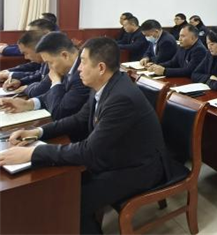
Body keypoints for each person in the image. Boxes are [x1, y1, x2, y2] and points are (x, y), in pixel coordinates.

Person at [0, 37, 170, 234]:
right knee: (61, 184)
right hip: (115, 154)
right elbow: (78, 119)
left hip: (139, 167)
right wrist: (38, 131)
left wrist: (32, 154)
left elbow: (89, 152)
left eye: (83, 62)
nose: (78, 68)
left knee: (72, 199)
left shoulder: (121, 98)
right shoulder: (104, 84)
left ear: (100, 67)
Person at [0, 32, 89, 120]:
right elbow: (51, 96)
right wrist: (28, 104)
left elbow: (58, 113)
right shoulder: (67, 66)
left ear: (65, 55)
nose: (49, 68)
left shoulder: (82, 75)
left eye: (50, 62)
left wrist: (55, 82)